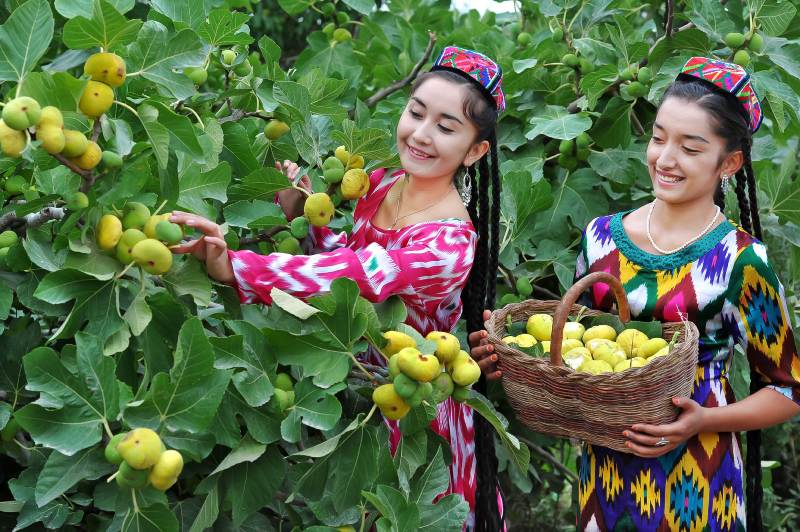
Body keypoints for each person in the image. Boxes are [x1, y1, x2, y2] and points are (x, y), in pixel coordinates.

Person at [169, 46, 505, 530]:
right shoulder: (379, 183)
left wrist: (236, 269)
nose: (420, 134)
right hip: (346, 388)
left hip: (410, 412)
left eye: (446, 127)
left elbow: (354, 275)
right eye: (416, 113)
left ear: (475, 151)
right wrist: (307, 208)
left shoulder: (449, 244)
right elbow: (342, 253)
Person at [470, 56, 800, 530]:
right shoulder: (601, 238)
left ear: (729, 163)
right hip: (605, 474)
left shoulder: (741, 260)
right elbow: (575, 349)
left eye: (690, 148)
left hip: (698, 484)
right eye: (658, 138)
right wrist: (509, 354)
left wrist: (702, 421)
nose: (665, 159)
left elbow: (787, 389)